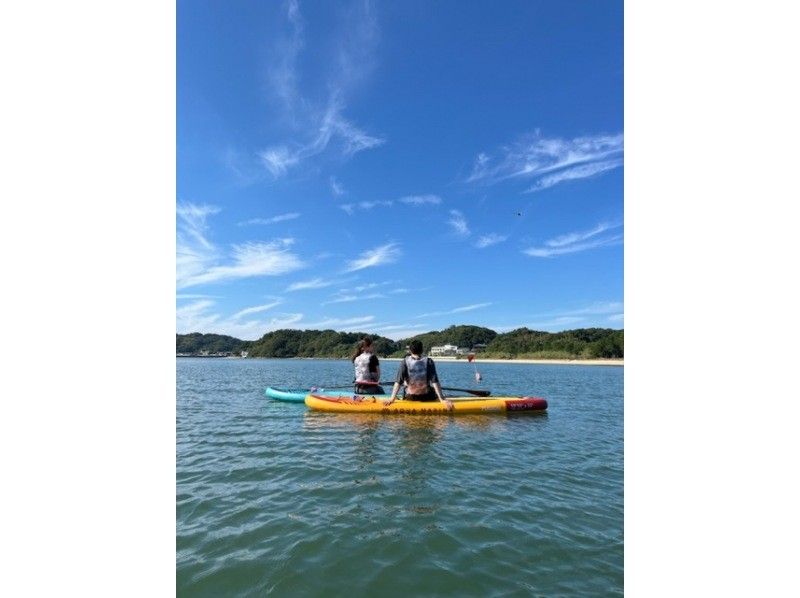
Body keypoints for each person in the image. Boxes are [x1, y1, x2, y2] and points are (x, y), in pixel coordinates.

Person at [385, 340, 453, 410]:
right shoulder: (429, 361)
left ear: (410, 350)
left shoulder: (404, 362)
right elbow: (435, 381)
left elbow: (398, 382)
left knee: (405, 385)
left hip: (409, 397)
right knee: (433, 390)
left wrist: (392, 399)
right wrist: (441, 399)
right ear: (422, 350)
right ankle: (443, 396)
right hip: (426, 397)